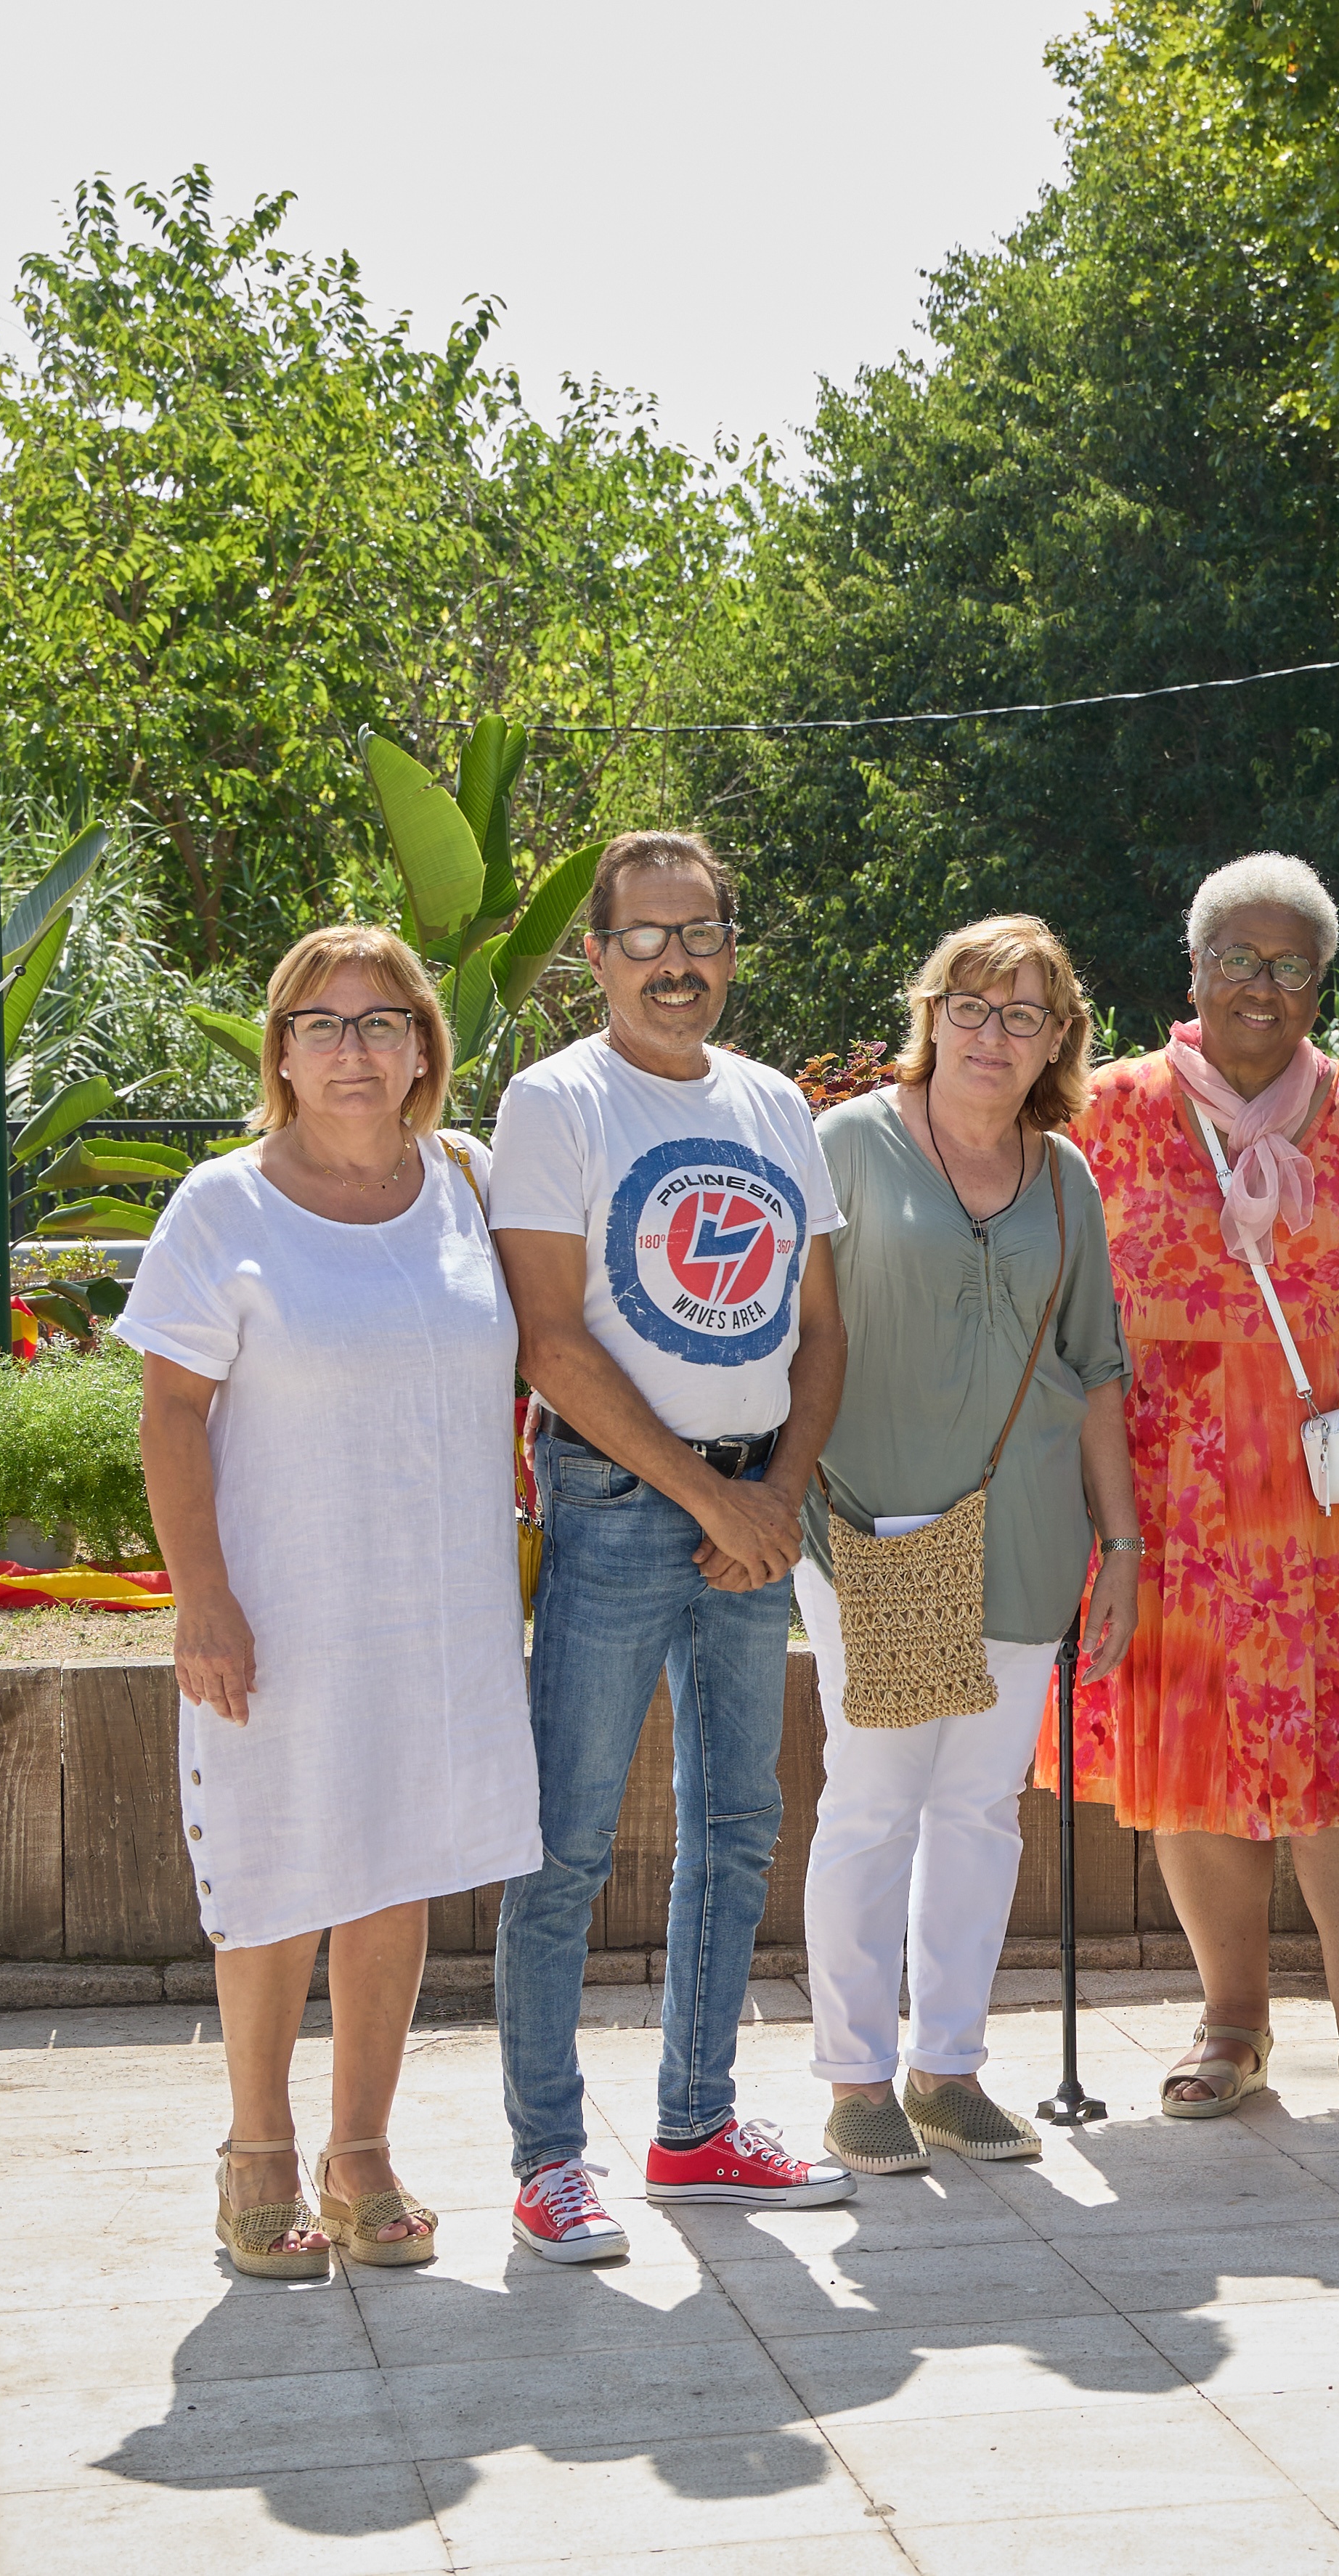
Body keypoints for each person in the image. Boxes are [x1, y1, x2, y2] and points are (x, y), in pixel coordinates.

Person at [123, 925, 542, 2276]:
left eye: (381, 1021)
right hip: (281, 1606)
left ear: (424, 1044)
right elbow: (173, 1415)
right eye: (321, 1023)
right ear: (282, 1053)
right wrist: (206, 1602)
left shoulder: (471, 1185)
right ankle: (256, 2148)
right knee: (274, 1867)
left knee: (400, 1865)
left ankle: (359, 2152)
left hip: (442, 1610)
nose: (353, 1048)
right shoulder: (222, 1205)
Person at [1054, 855, 1339, 2140]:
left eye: (1292, 965)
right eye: (1238, 957)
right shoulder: (1106, 1112)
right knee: (1188, 1757)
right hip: (1159, 1487)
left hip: (1326, 1487)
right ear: (1191, 969)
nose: (1262, 985)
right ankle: (1230, 2021)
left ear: (1320, 985)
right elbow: (1067, 1311)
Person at [490, 831, 854, 2260]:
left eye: (699, 932)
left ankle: (696, 2126)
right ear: (597, 952)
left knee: (740, 1827)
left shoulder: (773, 1106)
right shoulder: (553, 1099)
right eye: (645, 935)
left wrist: (778, 1495)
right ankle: (547, 2158)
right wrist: (715, 1505)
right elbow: (553, 1343)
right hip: (620, 1506)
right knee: (568, 1841)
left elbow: (823, 1331)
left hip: (758, 1511)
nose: (676, 961)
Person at [799, 915, 1140, 2173]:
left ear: (1060, 1038)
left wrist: (1125, 1545)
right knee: (875, 1803)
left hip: (1032, 1527)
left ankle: (947, 2070)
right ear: (932, 1010)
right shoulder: (844, 1144)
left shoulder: (1065, 1176)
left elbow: (1096, 1369)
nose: (996, 1035)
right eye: (975, 1006)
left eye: (1027, 1015)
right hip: (878, 1523)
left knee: (983, 1807)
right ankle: (852, 2078)